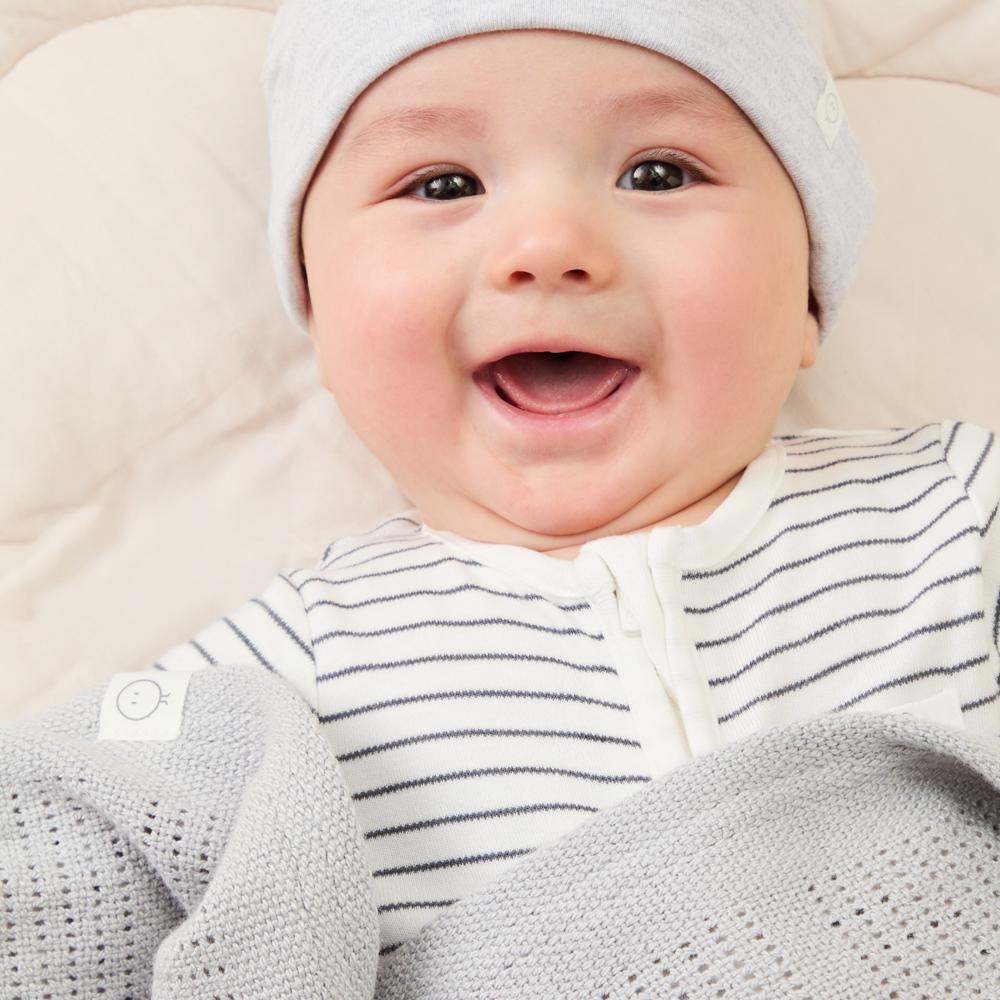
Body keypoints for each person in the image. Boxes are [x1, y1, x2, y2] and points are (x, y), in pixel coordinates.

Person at [6, 0, 1000, 980]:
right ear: (324, 324)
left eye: (656, 173)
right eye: (441, 183)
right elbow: (61, 854)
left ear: (809, 297)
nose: (547, 245)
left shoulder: (950, 510)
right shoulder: (290, 671)